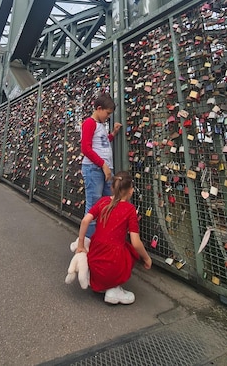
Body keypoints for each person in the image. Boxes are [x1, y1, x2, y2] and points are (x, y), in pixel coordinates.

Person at [76, 171, 152, 305]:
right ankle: (114, 287)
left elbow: (85, 220)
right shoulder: (129, 209)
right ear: (130, 191)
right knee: (129, 251)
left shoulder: (103, 201)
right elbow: (135, 242)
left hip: (95, 256)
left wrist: (81, 245)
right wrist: (146, 258)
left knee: (106, 246)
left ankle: (100, 283)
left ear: (112, 188)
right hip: (113, 260)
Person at [81, 93, 122, 237]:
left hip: (104, 169)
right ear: (99, 108)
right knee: (93, 208)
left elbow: (102, 143)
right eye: (107, 113)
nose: (108, 116)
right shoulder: (89, 123)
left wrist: (113, 134)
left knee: (108, 204)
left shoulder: (100, 125)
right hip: (94, 169)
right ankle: (87, 246)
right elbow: (85, 148)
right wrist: (103, 165)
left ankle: (101, 241)